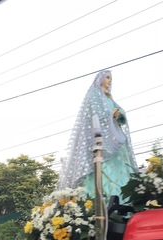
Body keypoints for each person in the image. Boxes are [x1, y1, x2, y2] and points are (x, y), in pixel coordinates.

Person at [58, 70, 138, 202]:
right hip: (101, 141)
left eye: (111, 78)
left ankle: (124, 198)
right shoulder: (94, 94)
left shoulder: (108, 98)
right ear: (99, 79)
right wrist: (111, 113)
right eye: (107, 77)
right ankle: (104, 201)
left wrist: (119, 113)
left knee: (121, 170)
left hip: (115, 139)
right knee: (101, 170)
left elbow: (121, 112)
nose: (109, 80)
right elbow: (96, 113)